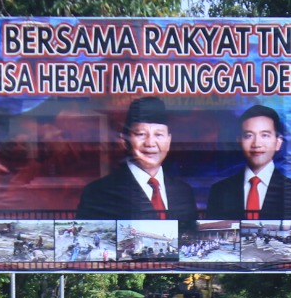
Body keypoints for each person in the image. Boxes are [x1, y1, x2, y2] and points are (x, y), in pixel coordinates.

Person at [76, 97, 199, 230]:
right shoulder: (98, 193)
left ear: (169, 140)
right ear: (125, 141)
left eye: (158, 135)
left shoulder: (183, 192)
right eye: (141, 134)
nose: (150, 143)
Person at [205, 105, 291, 220]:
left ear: (278, 142)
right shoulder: (219, 191)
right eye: (249, 136)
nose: (256, 144)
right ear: (239, 141)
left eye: (265, 135)